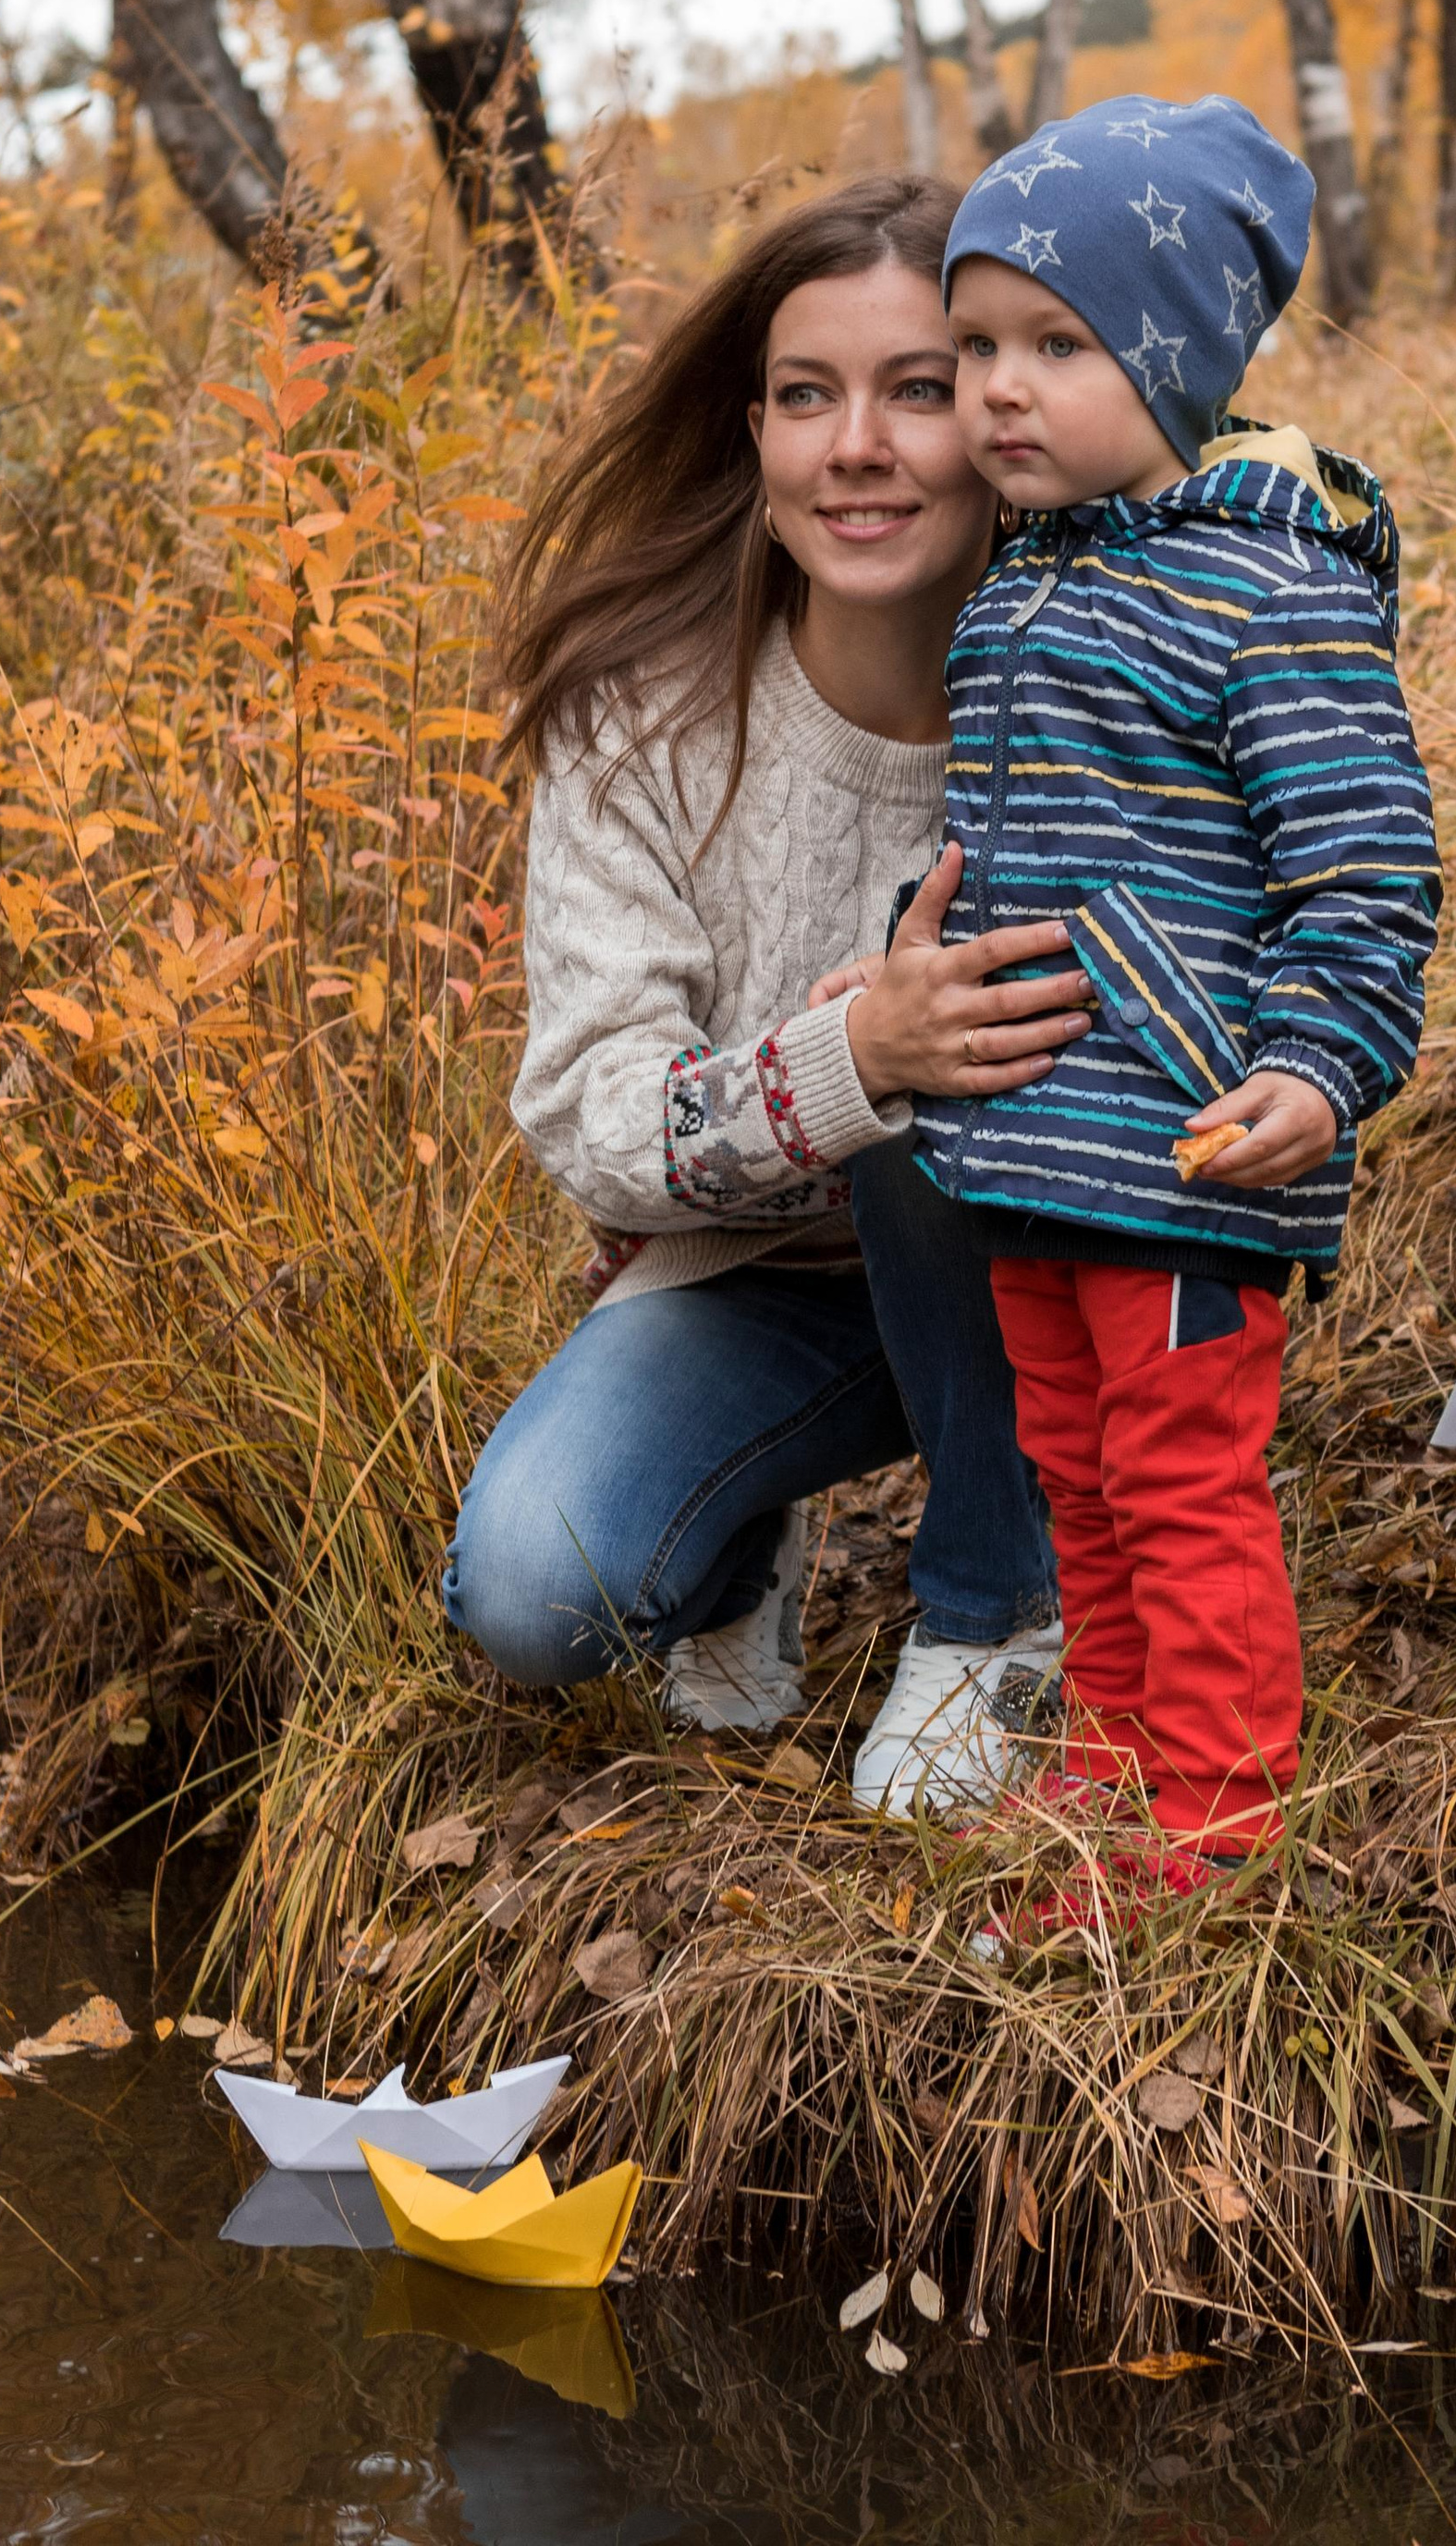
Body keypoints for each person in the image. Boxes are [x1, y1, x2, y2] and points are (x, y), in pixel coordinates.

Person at [443, 171, 1093, 1814]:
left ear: (1003, 421)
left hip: (1042, 1266)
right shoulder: (640, 719)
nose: (854, 446)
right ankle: (742, 1534)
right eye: (808, 396)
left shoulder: (1108, 685)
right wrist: (848, 1054)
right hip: (752, 1281)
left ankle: (995, 1604)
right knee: (532, 1586)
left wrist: (914, 1053)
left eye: (916, 390)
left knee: (948, 1051)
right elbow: (593, 1121)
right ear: (755, 435)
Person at [893, 93, 1440, 1926]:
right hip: (1037, 1136)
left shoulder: (1271, 591)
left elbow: (1361, 869)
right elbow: (1019, 844)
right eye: (976, 347)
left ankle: (1210, 1826)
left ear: (1180, 354)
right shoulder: (1023, 580)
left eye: (1058, 346)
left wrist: (1318, 1063)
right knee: (1076, 1465)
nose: (999, 391)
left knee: (1179, 1472)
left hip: (1189, 1142)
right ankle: (1108, 1764)